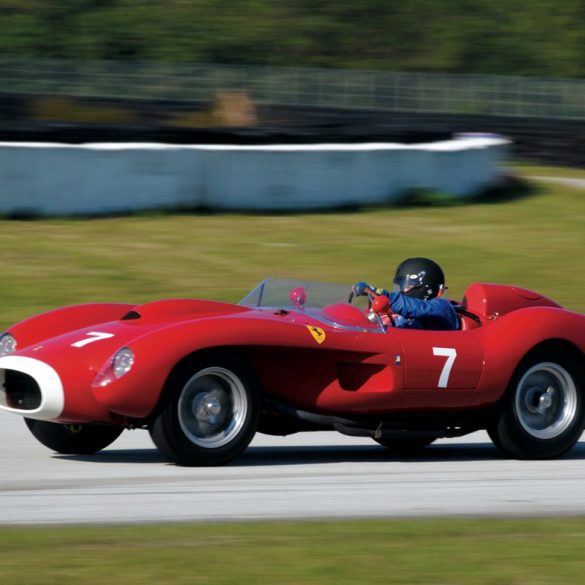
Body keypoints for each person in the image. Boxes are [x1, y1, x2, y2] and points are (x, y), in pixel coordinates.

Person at [352, 257, 459, 331]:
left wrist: (382, 295)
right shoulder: (405, 313)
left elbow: (415, 307)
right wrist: (375, 293)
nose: (402, 290)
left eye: (407, 286)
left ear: (426, 288)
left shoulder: (442, 307)